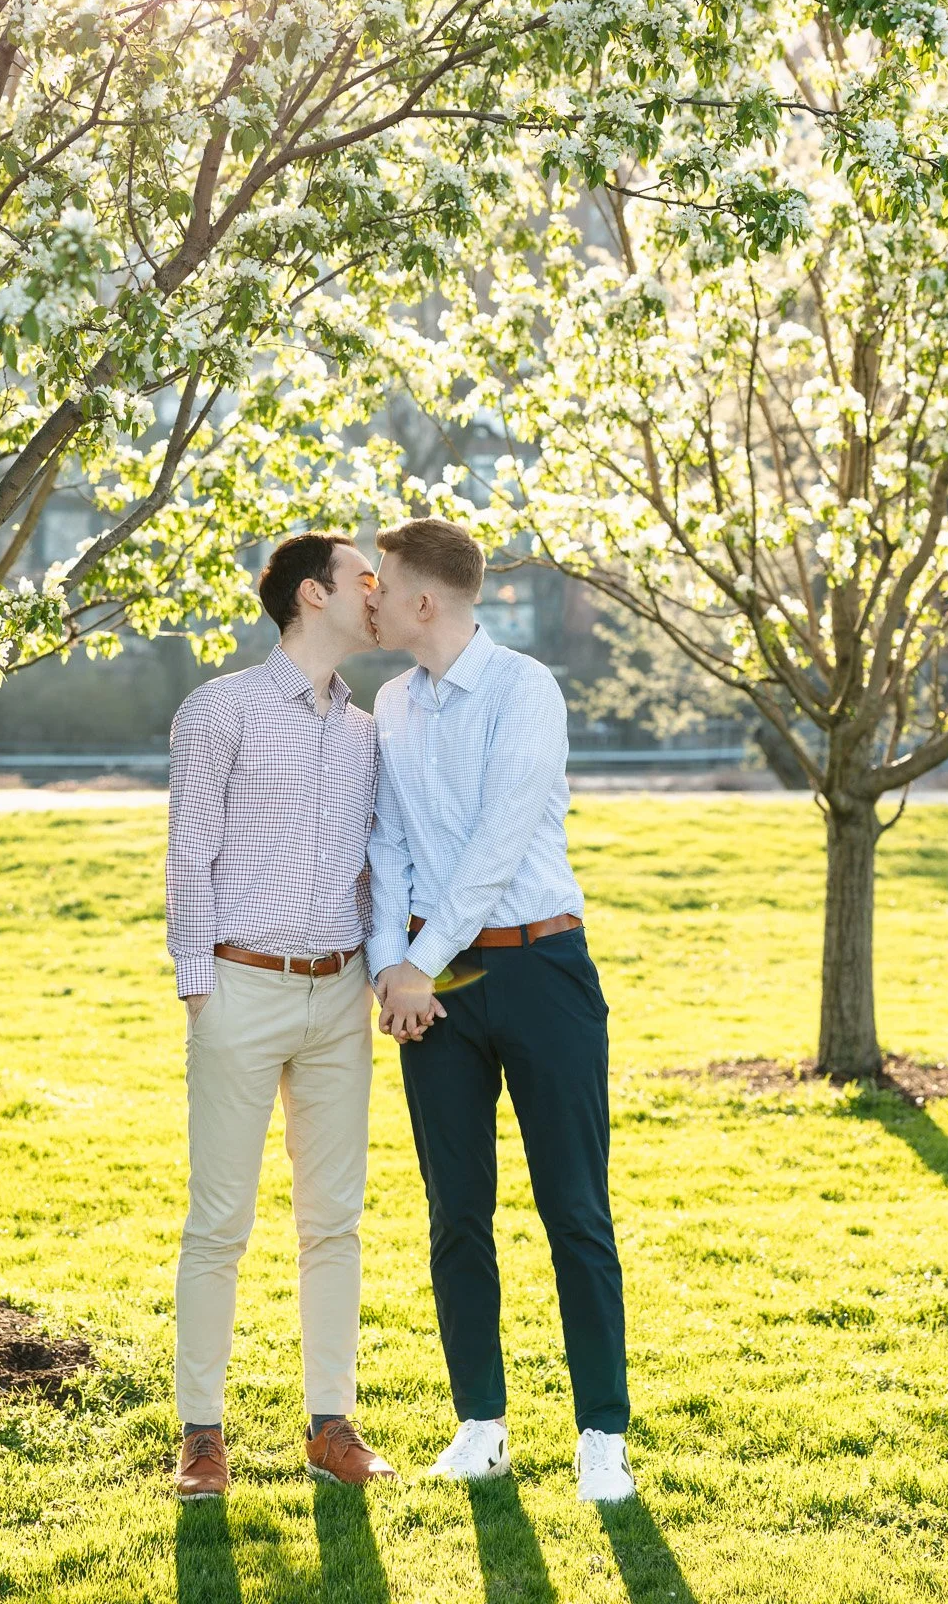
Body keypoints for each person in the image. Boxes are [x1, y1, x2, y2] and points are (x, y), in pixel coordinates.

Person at [366, 517, 634, 1502]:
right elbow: (386, 844)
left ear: (425, 600)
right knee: (456, 1214)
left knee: (575, 1209)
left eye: (384, 583)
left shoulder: (526, 689)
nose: (373, 598)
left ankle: (602, 1432)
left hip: (541, 968)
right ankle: (480, 1423)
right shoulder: (391, 701)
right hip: (435, 990)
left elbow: (496, 841)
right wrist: (394, 966)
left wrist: (419, 963)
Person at [166, 531, 397, 1498]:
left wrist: (378, 975)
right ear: (315, 595)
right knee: (219, 1223)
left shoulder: (367, 729)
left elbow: (373, 864)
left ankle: (329, 1427)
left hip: (339, 996)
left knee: (332, 1223)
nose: (379, 596)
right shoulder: (219, 709)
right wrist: (200, 986)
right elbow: (189, 854)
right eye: (365, 581)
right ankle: (202, 1439)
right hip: (241, 988)